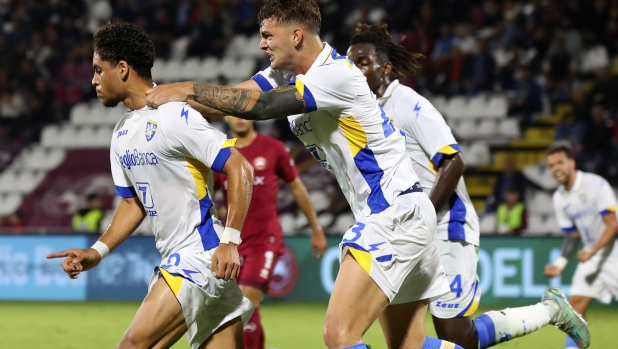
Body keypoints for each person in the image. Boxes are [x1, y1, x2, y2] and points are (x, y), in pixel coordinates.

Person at [145, 1, 459, 348]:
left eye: (267, 36)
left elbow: (261, 107)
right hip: (406, 213)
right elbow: (235, 98)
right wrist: (157, 105)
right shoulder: (286, 74)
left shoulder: (335, 73)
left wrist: (186, 87)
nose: (261, 44)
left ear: (296, 36)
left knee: (339, 336)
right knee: (410, 346)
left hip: (393, 213)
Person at [346, 23, 590, 349]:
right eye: (350, 64)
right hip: (408, 235)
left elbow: (454, 161)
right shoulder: (370, 114)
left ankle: (549, 311)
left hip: (447, 227)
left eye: (362, 62)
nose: (354, 71)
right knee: (406, 341)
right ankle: (550, 310)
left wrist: (423, 215)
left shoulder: (407, 103)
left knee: (459, 338)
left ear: (385, 68)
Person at [46, 22, 254, 349]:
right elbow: (133, 204)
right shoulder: (122, 132)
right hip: (195, 260)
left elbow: (240, 167)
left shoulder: (174, 116)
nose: (94, 80)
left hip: (199, 255)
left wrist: (231, 240)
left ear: (123, 69)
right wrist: (96, 252)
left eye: (99, 70)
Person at [213, 114, 327, 349]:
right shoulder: (220, 153)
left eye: (243, 113)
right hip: (233, 243)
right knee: (236, 310)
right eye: (233, 115)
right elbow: (212, 199)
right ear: (226, 117)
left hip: (265, 241)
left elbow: (297, 187)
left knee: (246, 302)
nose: (240, 119)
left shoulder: (273, 148)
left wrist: (316, 229)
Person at [545, 141, 618, 349]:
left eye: (560, 163)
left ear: (572, 163)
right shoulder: (559, 198)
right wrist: (559, 264)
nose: (556, 169)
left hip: (614, 252)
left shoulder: (596, 184)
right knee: (575, 305)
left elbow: (612, 226)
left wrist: (592, 252)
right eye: (551, 165)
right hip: (592, 255)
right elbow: (572, 235)